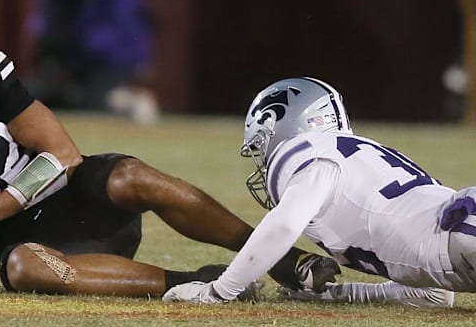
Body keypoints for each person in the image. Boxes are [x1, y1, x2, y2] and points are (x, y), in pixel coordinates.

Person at [0, 0, 340, 297]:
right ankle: (195, 282)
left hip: (76, 198)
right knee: (21, 268)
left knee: (131, 173)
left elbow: (62, 155)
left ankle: (281, 259)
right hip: (40, 250)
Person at [163, 77, 460, 307]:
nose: (263, 160)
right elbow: (434, 295)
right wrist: (343, 294)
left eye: (260, 146)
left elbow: (286, 224)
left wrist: (218, 291)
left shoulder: (305, 150)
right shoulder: (357, 157)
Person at [26, 0, 159, 124]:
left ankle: (127, 99)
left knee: (92, 105)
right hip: (75, 51)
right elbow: (48, 6)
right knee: (39, 98)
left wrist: (141, 56)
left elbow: (128, 11)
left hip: (109, 54)